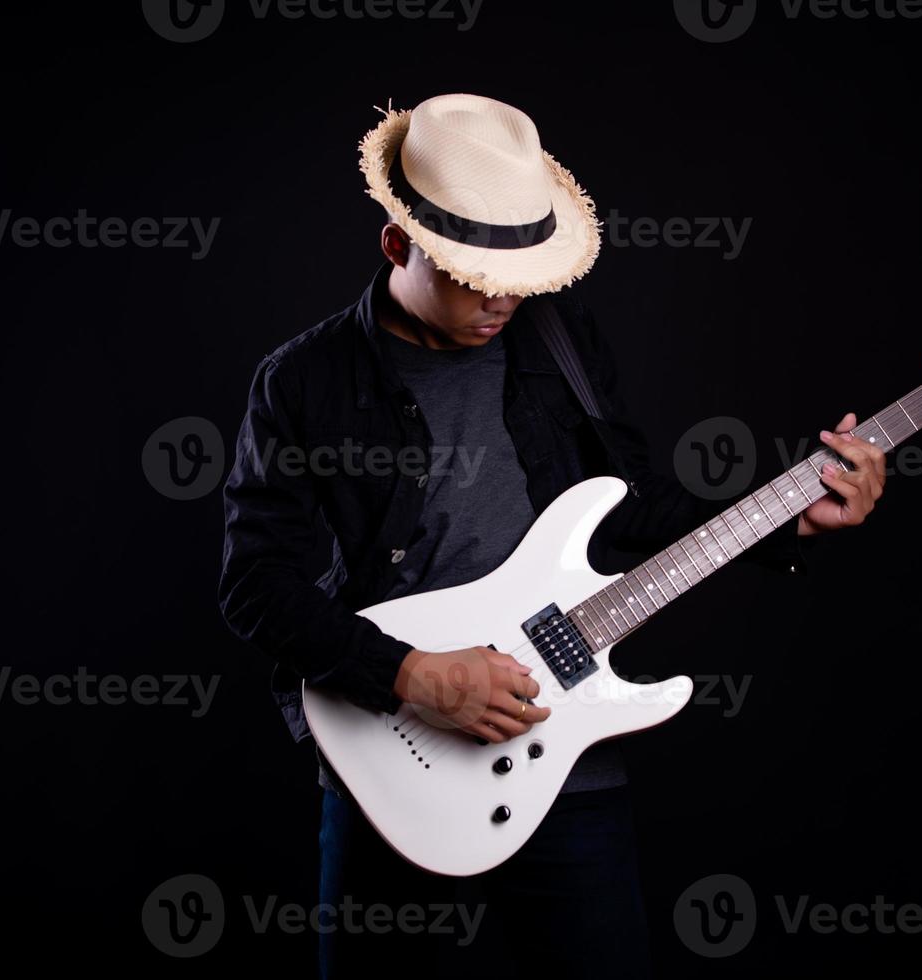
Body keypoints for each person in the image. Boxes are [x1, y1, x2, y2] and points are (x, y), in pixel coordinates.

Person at [218, 93, 887, 977]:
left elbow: (632, 506)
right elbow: (256, 586)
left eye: (519, 277)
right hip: (393, 762)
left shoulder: (559, 340)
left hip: (564, 756)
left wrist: (789, 514)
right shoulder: (303, 382)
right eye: (475, 277)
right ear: (396, 245)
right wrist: (413, 675)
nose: (503, 301)